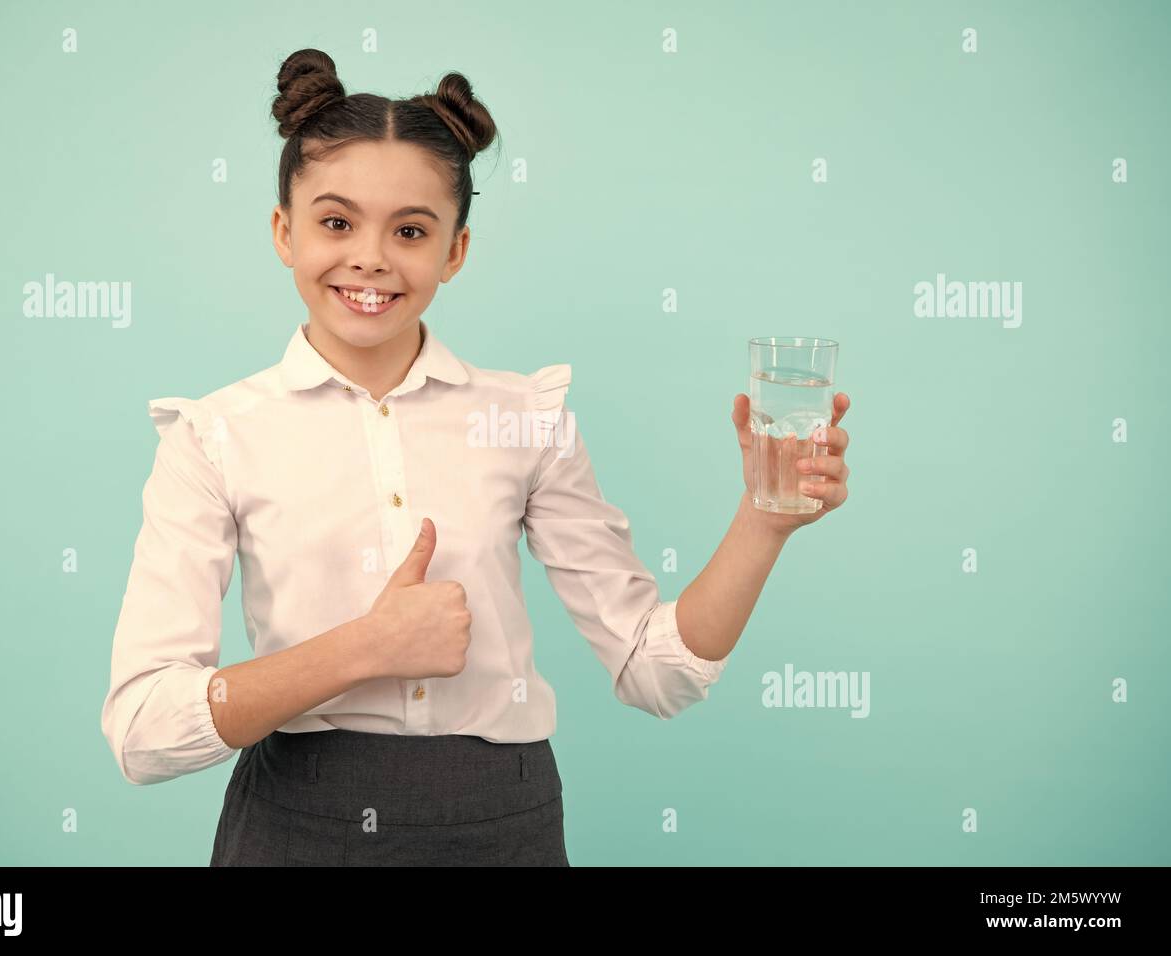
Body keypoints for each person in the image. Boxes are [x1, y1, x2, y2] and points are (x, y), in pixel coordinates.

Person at [99, 48, 854, 867]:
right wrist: (368, 647)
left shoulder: (525, 420)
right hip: (296, 828)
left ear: (455, 251)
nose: (371, 258)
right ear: (285, 232)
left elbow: (655, 672)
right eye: (336, 221)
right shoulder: (214, 436)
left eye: (412, 230)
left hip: (504, 829)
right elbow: (143, 732)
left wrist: (763, 522)